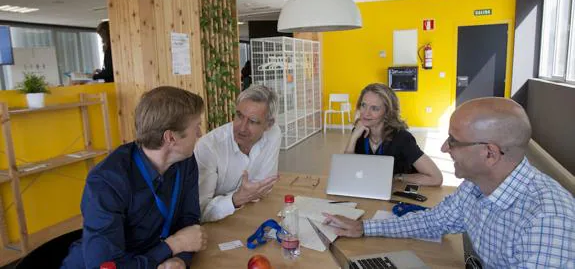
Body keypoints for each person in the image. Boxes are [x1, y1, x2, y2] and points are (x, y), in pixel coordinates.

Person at [324, 97, 575, 268]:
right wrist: (365, 228)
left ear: (490, 153)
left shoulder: (547, 221)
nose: (444, 148)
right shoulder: (475, 186)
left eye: (453, 141)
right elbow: (434, 220)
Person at [61, 86, 207, 269]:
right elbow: (106, 267)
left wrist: (180, 259)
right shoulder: (106, 182)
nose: (200, 134)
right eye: (196, 127)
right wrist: (172, 246)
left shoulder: (185, 161)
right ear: (170, 138)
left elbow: (189, 224)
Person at [194, 84, 281, 222]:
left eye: (252, 121)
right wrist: (237, 198)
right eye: (239, 116)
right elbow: (198, 212)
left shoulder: (273, 134)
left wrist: (235, 199)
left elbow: (263, 188)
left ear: (268, 125)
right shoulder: (209, 146)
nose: (242, 127)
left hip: (245, 217)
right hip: (213, 227)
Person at [344, 83, 443, 186]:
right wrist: (353, 138)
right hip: (369, 189)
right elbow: (345, 171)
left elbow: (436, 178)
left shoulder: (402, 138)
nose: (365, 113)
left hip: (396, 194)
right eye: (363, 105)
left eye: (374, 108)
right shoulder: (359, 132)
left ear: (387, 112)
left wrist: (398, 177)